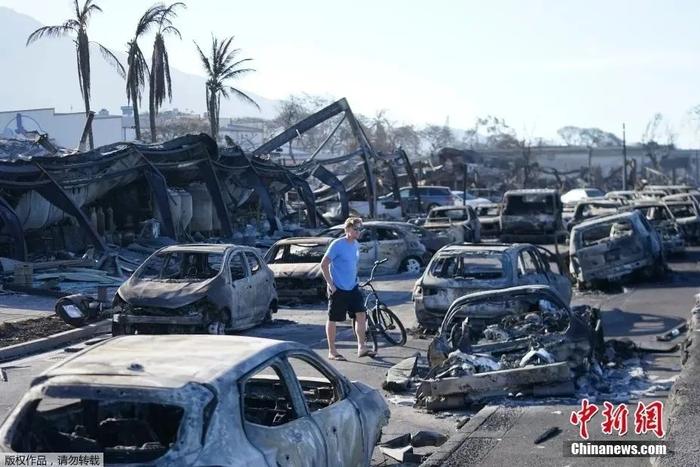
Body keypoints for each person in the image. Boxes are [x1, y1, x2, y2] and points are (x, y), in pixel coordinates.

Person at [321, 217, 375, 361]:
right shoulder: (337, 244)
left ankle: (361, 347)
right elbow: (324, 264)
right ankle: (332, 351)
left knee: (361, 314)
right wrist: (331, 284)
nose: (358, 232)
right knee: (333, 319)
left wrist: (356, 279)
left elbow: (353, 265)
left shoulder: (356, 244)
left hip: (352, 287)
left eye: (360, 229)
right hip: (338, 288)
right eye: (356, 229)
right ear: (348, 229)